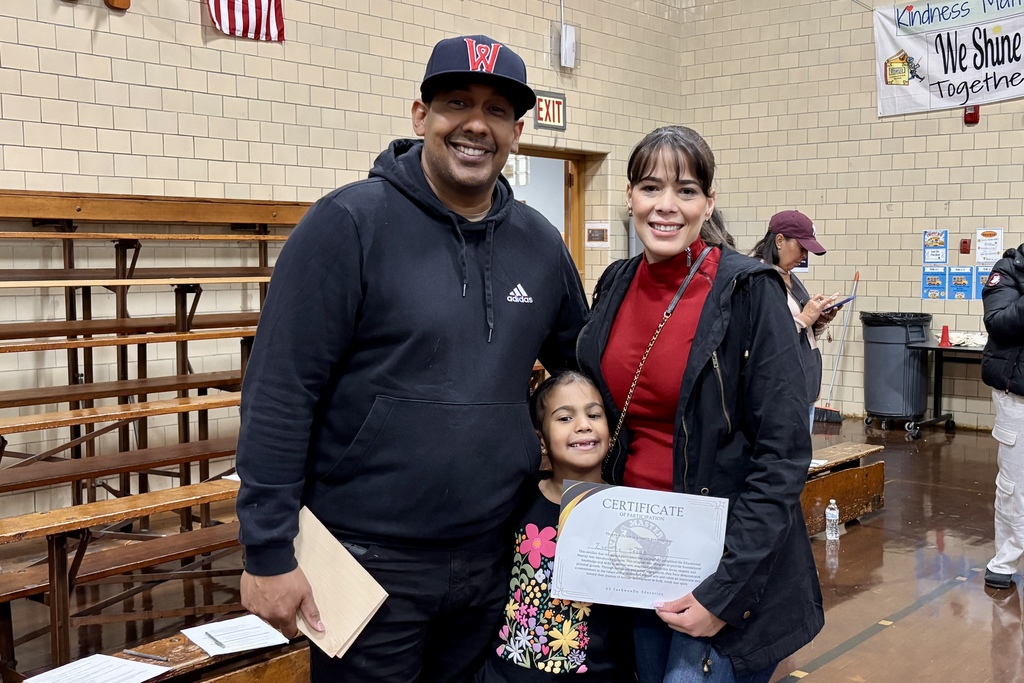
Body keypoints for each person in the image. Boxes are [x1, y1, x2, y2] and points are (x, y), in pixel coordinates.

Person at [235, 34, 589, 682]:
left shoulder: (540, 244)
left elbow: (582, 370)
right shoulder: (346, 225)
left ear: (516, 131)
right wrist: (266, 550)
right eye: (457, 102)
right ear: (421, 115)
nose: (477, 123)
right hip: (365, 562)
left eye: (497, 109)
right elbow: (281, 392)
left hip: (494, 554)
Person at [577, 125, 824, 683]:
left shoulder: (749, 291)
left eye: (686, 190)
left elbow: (782, 456)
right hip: (634, 555)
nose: (666, 206)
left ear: (708, 202)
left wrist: (724, 590)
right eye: (650, 187)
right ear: (629, 196)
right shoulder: (615, 283)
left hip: (719, 563)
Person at [475, 371, 631, 682]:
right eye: (564, 418)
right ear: (541, 439)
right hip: (507, 673)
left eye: (594, 414)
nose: (583, 425)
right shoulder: (518, 498)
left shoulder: (626, 511)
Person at [750, 210, 841, 429]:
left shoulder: (790, 276)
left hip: (804, 384)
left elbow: (802, 332)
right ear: (780, 240)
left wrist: (818, 319)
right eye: (801, 248)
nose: (804, 256)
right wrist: (803, 319)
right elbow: (759, 335)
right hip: (778, 391)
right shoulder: (758, 279)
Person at [980, 242, 1024, 591]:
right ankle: (1004, 561)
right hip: (1017, 399)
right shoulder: (1008, 269)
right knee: (1015, 487)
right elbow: (999, 323)